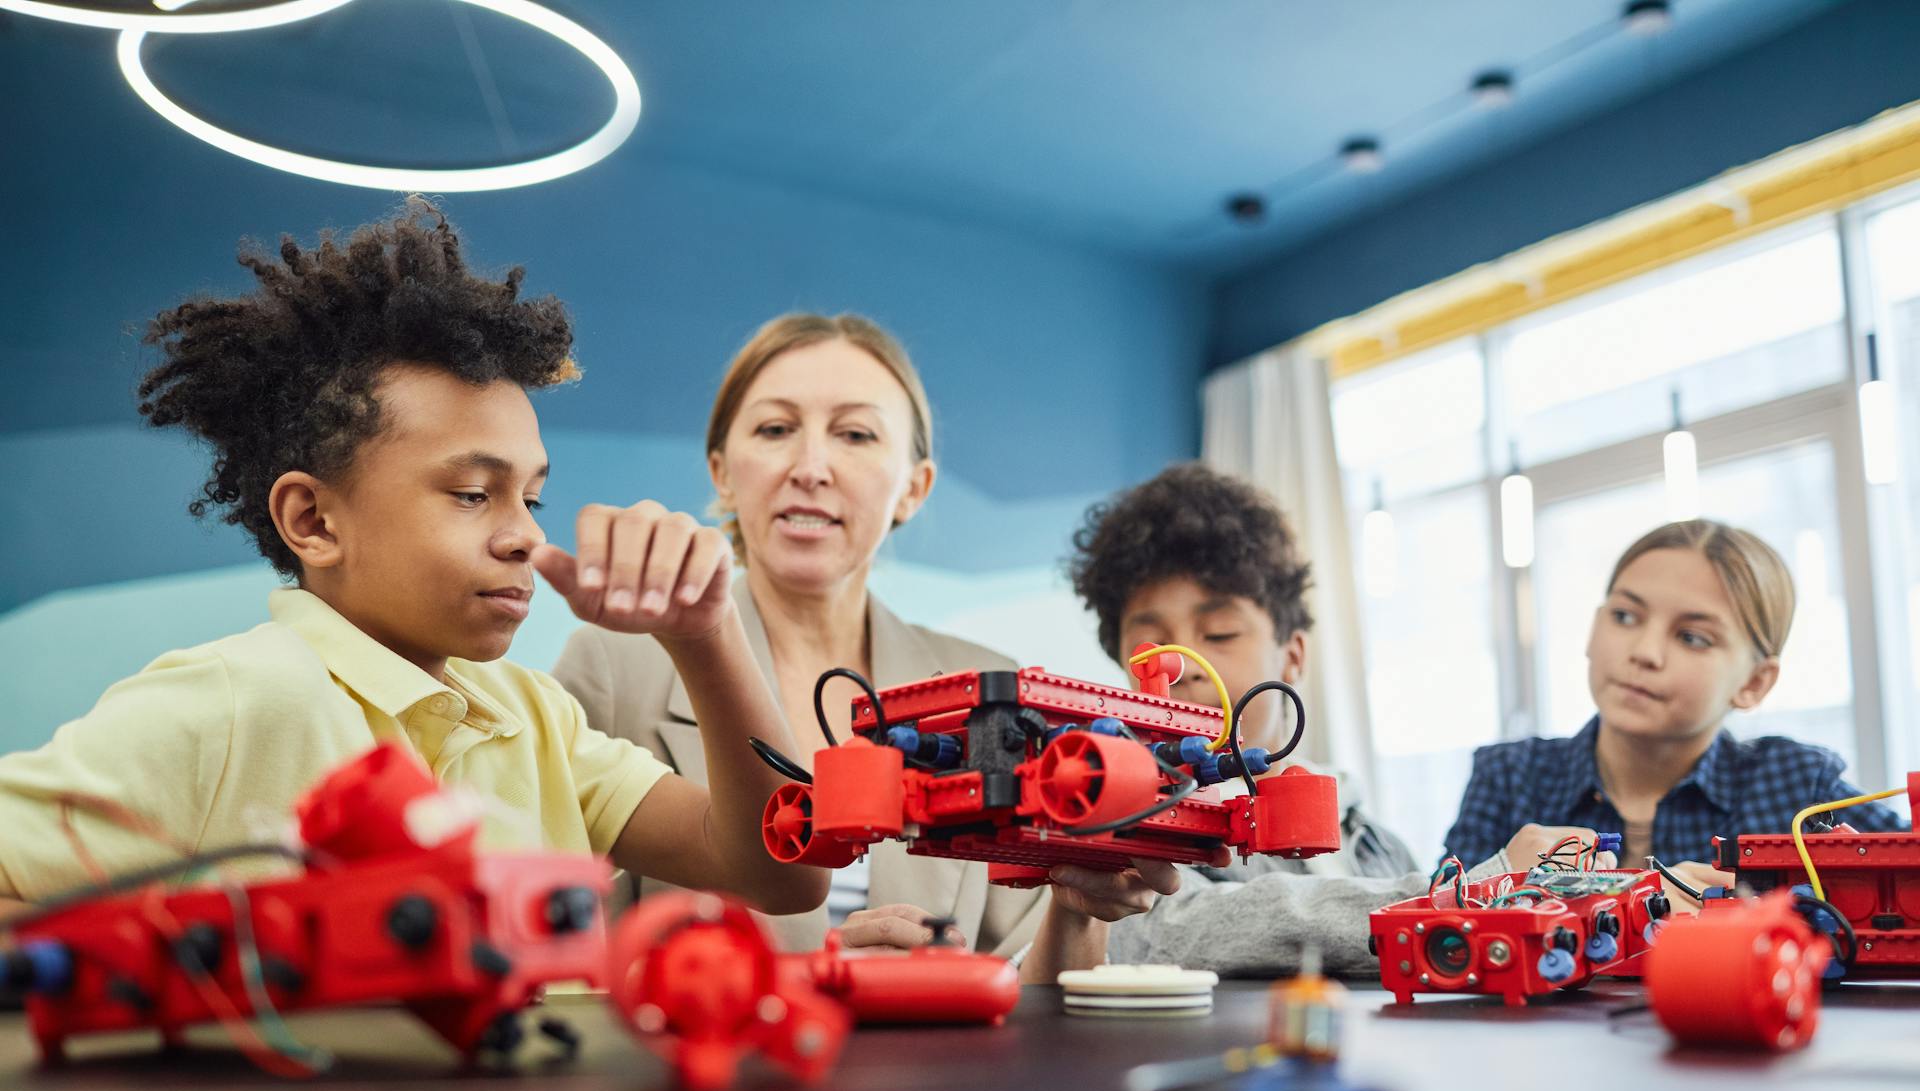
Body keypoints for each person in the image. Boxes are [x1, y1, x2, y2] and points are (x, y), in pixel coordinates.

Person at [0, 202, 823, 924]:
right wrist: (218, 959)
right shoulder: (229, 701)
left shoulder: (532, 717)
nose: (524, 539)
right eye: (472, 493)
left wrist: (707, 634)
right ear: (313, 520)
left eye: (530, 499)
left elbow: (780, 875)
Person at [553, 313, 1176, 978]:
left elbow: (1029, 993)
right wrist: (802, 980)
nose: (810, 466)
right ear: (723, 473)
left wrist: (1077, 907)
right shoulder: (612, 669)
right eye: (774, 429)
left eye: (855, 434)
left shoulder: (993, 688)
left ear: (914, 488)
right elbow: (559, 962)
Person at [1063, 463, 1489, 979]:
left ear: (1292, 655)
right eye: (1152, 648)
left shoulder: (1371, 839)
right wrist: (1466, 898)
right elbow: (1172, 928)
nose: (1186, 668)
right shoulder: (1133, 832)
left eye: (1219, 633)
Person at [1445, 519, 1906, 893]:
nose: (1645, 652)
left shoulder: (1800, 787)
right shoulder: (1508, 777)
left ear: (1754, 681)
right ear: (1592, 629)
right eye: (1625, 616)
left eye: (1691, 637)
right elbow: (1425, 924)